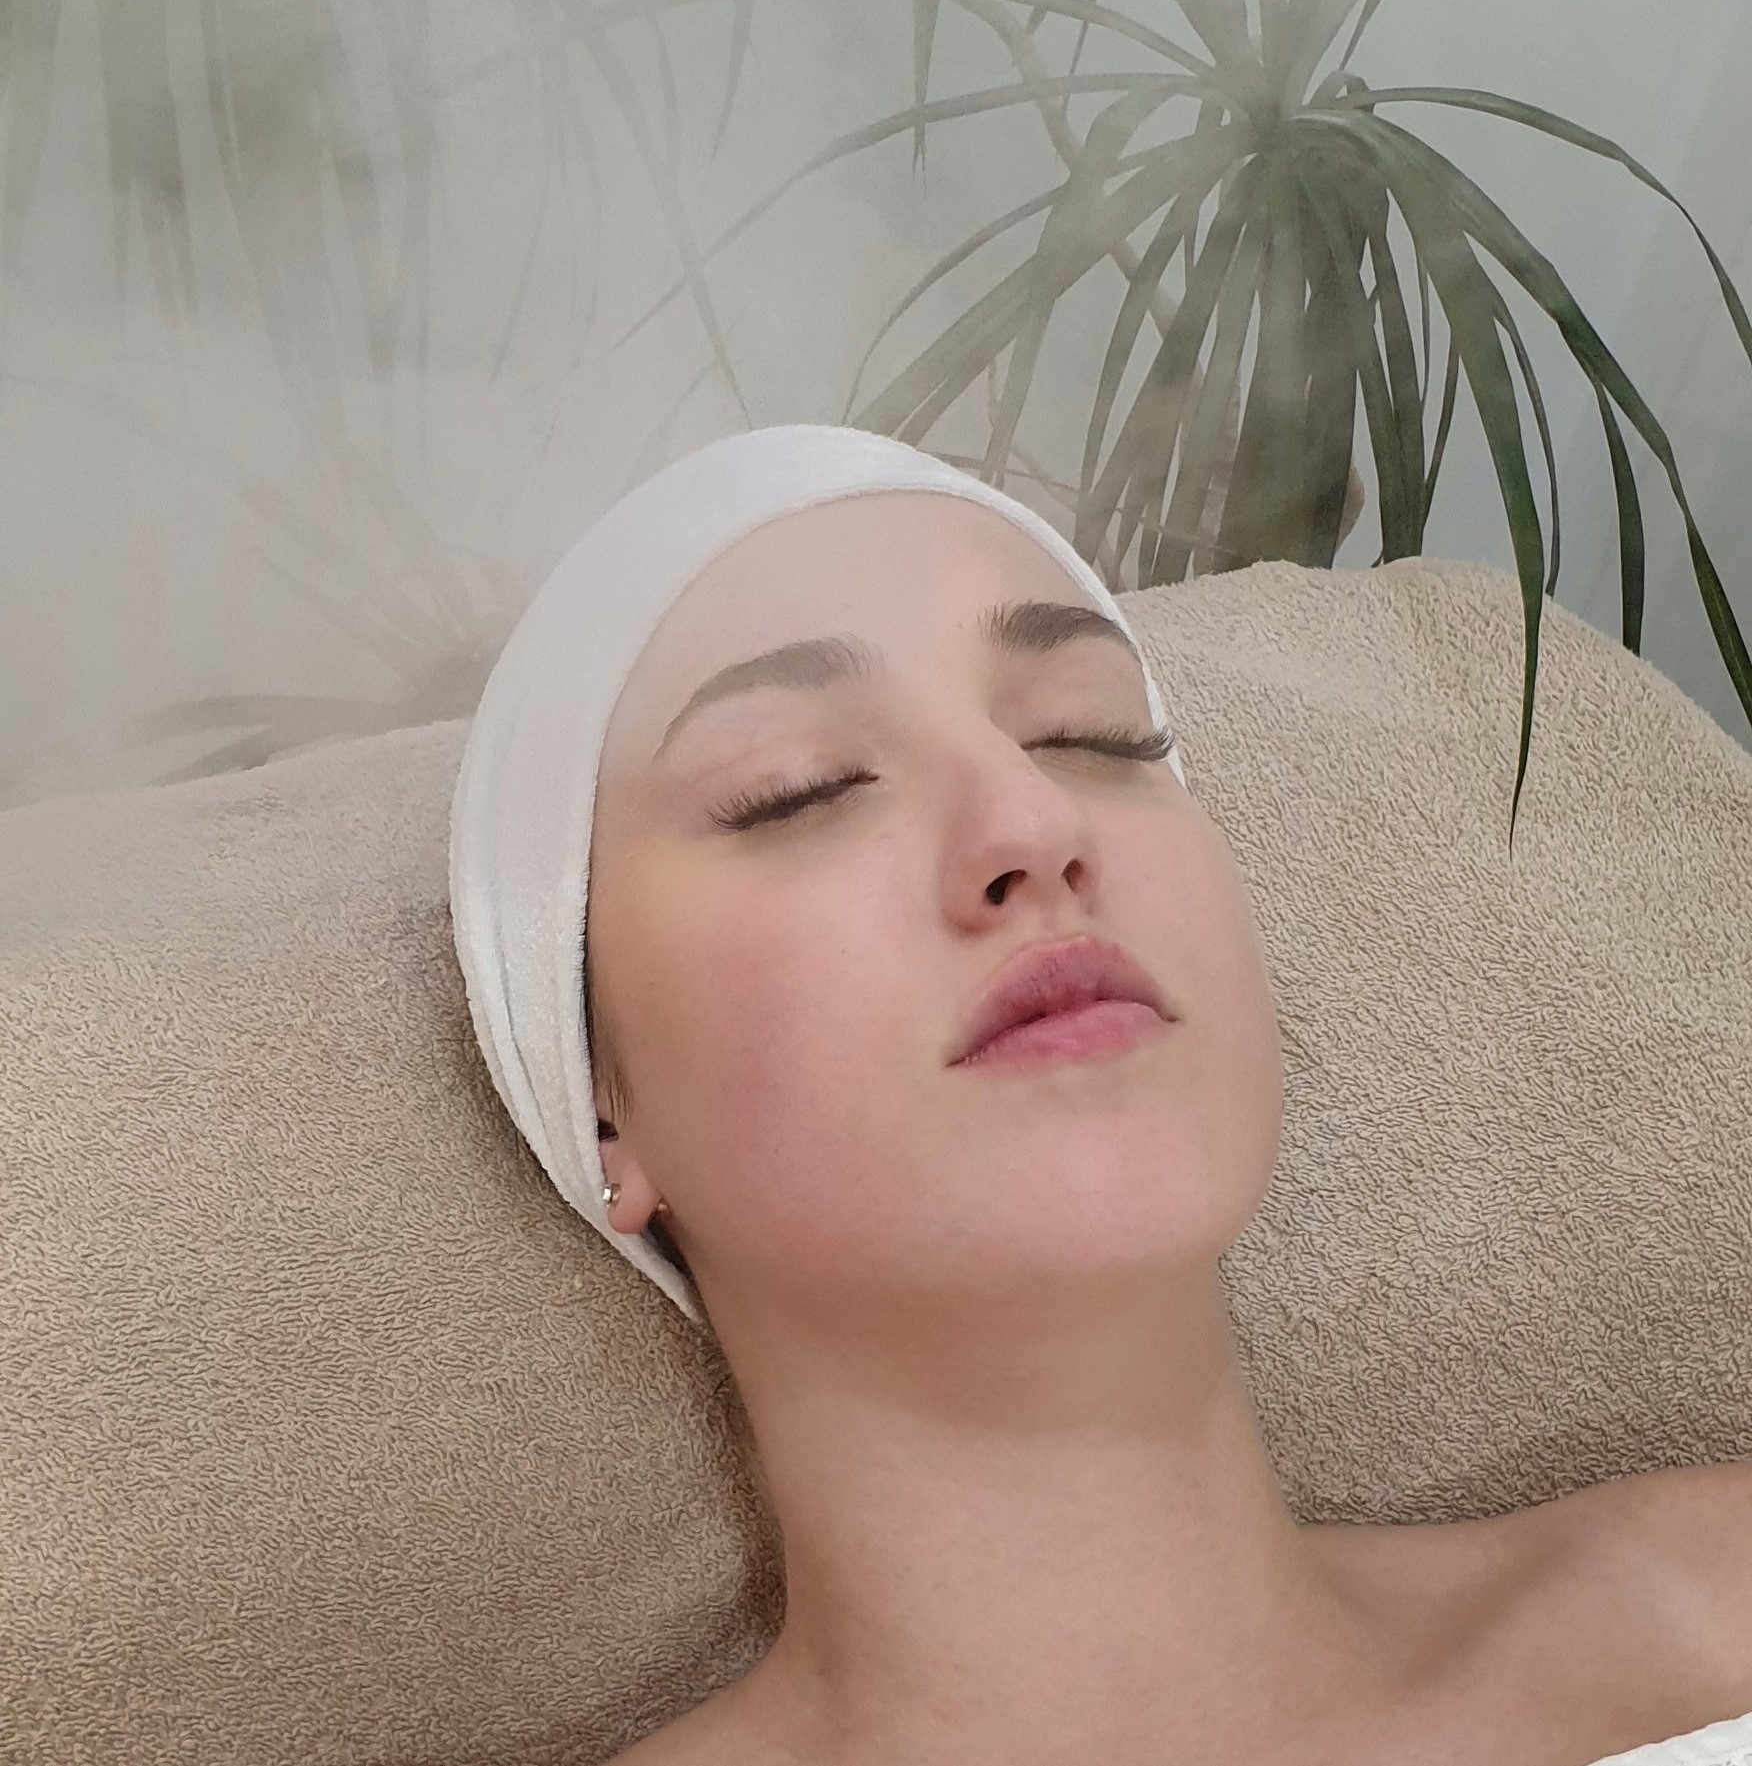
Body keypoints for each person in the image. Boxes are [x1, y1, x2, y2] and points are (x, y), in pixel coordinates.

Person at [451, 425, 1752, 1766]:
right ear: (605, 1105)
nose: (1028, 821)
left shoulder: (1713, 1621)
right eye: (798, 787)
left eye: (1094, 731)